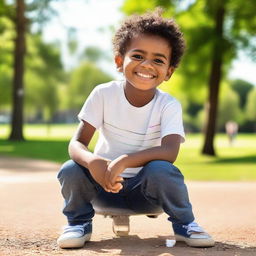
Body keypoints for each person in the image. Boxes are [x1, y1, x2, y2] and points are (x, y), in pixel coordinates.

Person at [57, 9, 215, 249]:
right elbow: (76, 144)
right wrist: (92, 162)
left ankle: (185, 225)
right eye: (138, 56)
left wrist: (126, 161)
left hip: (147, 197)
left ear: (168, 72)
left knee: (163, 169)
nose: (147, 65)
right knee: (71, 169)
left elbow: (170, 151)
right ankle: (78, 223)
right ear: (120, 61)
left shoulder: (168, 105)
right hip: (102, 190)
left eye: (158, 60)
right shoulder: (103, 94)